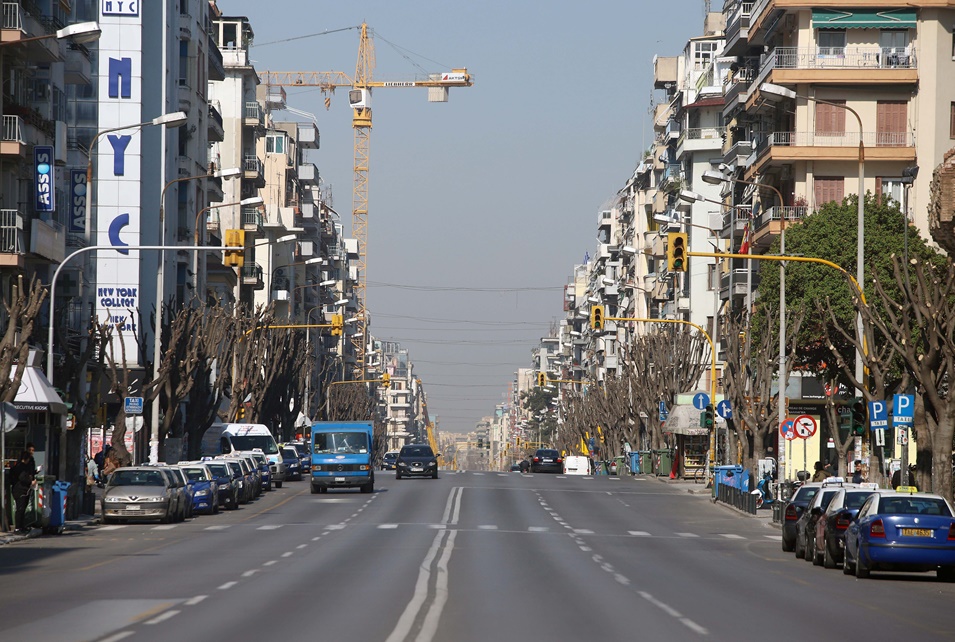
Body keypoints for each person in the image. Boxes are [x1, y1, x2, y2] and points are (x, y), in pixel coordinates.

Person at [8, 451, 36, 533]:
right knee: (20, 509)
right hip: (20, 490)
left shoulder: (18, 466)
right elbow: (23, 477)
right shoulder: (21, 467)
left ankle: (21, 526)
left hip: (20, 489)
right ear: (26, 459)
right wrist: (31, 482)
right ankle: (17, 528)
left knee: (22, 509)